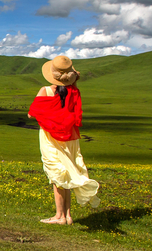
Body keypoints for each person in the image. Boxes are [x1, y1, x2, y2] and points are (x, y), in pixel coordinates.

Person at [26, 55, 100, 224]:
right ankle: (67, 215)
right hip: (70, 139)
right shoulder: (74, 92)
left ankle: (59, 216)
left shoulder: (45, 90)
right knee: (67, 172)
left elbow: (31, 113)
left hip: (51, 137)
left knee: (57, 174)